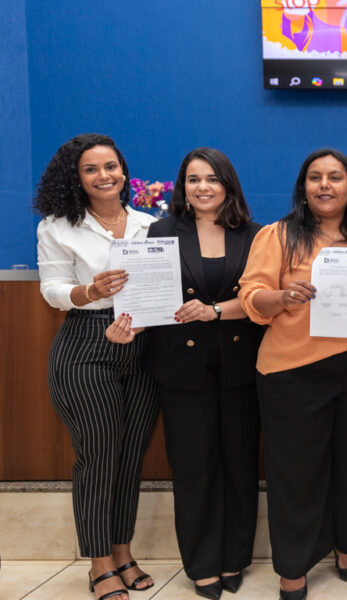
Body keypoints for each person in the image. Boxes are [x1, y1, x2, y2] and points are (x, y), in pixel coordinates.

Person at [105, 148, 263, 599]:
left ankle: (234, 558)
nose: (203, 187)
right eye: (194, 179)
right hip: (181, 369)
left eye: (212, 178)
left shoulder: (256, 235)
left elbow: (260, 299)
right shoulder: (161, 232)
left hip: (241, 367)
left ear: (228, 185)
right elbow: (148, 300)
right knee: (193, 468)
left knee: (239, 465)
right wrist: (130, 323)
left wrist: (215, 311)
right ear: (183, 186)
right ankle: (202, 563)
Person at [238, 149, 347, 600]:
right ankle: (293, 566)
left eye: (335, 177)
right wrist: (282, 297)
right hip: (291, 372)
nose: (325, 185)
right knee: (296, 476)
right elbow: (251, 296)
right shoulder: (277, 235)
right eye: (315, 178)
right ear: (303, 188)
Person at [34, 134, 159, 600]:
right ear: (76, 178)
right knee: (99, 456)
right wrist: (91, 291)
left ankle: (122, 552)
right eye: (91, 169)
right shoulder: (57, 227)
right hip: (86, 343)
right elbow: (52, 290)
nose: (104, 176)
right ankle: (99, 563)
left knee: (130, 456)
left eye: (111, 166)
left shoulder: (152, 224)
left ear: (123, 171)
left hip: (144, 345)